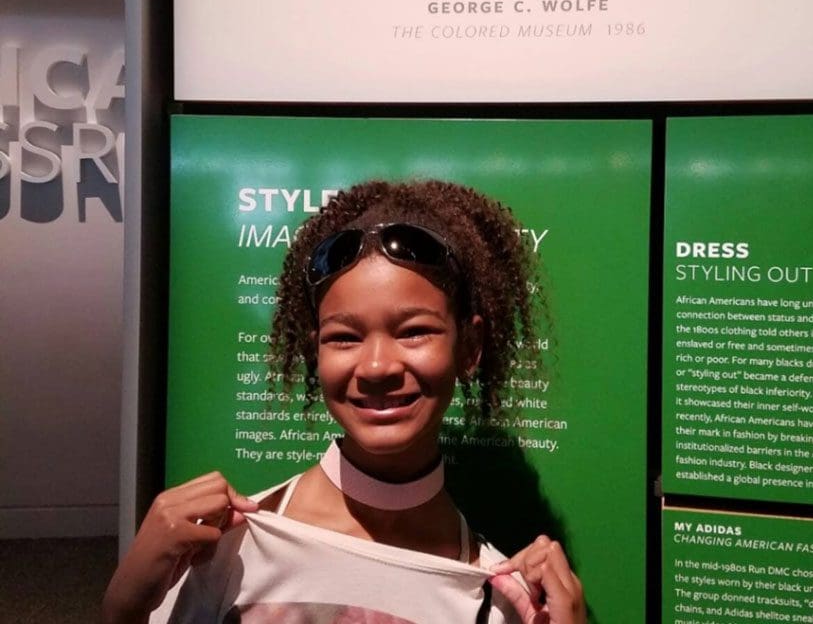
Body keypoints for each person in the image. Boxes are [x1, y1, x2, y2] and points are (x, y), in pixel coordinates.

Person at [103, 179, 585, 624]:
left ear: (470, 348)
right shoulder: (229, 549)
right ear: (315, 351)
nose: (376, 367)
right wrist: (125, 606)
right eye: (345, 337)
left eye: (414, 331)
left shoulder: (496, 599)